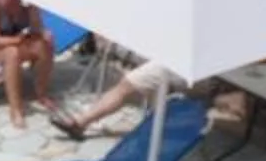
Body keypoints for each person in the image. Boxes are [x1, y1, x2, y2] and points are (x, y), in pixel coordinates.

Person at [0, 0, 55, 127]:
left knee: (43, 46)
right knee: (12, 53)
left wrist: (42, 31)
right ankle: (15, 109)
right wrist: (18, 40)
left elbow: (36, 30)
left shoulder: (27, 4)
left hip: (12, 42)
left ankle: (41, 94)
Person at [51, 58, 183, 140]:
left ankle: (80, 124)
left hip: (179, 62)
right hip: (190, 63)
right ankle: (79, 123)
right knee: (134, 88)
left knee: (126, 86)